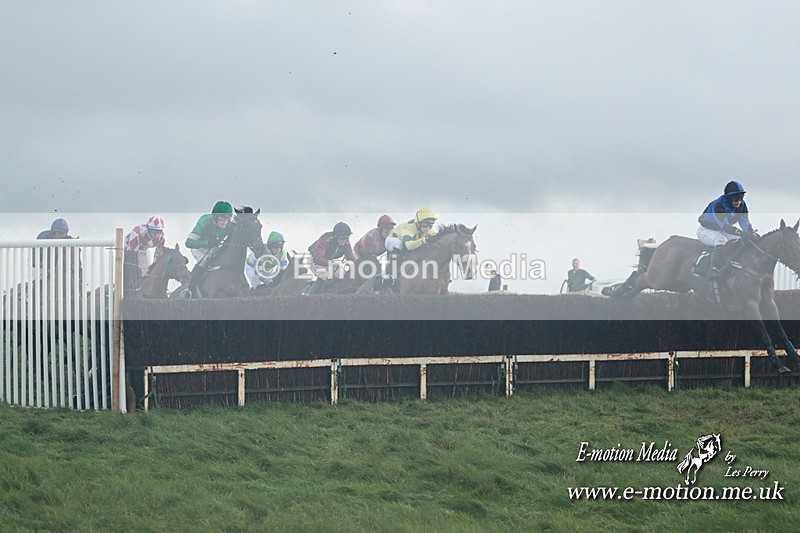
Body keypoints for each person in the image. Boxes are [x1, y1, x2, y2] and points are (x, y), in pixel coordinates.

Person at [697, 181, 757, 279]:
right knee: (721, 240)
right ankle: (714, 269)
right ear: (728, 198)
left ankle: (736, 262)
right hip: (706, 230)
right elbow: (724, 226)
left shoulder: (742, 205)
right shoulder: (719, 205)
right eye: (734, 198)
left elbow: (745, 222)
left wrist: (751, 232)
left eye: (740, 197)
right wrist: (741, 232)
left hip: (723, 230)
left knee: (742, 239)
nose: (737, 201)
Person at [381, 208, 438, 289]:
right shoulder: (409, 228)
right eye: (425, 226)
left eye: (430, 226)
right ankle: (390, 273)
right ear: (418, 224)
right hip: (392, 240)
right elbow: (409, 246)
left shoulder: (430, 230)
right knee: (399, 244)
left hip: (407, 242)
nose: (428, 229)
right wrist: (424, 239)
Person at [185, 201, 234, 290]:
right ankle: (190, 286)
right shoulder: (204, 222)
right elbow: (188, 243)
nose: (224, 222)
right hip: (199, 247)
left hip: (214, 246)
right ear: (215, 217)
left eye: (227, 219)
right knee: (205, 261)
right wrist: (207, 243)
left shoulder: (230, 225)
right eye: (222, 218)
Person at [306, 222, 356, 294]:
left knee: (340, 275)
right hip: (315, 259)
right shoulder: (325, 240)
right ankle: (309, 297)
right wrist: (332, 263)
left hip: (328, 261)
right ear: (336, 236)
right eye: (342, 238)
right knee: (324, 276)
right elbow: (317, 259)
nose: (344, 241)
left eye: (347, 238)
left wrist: (356, 265)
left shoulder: (346, 243)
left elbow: (351, 258)